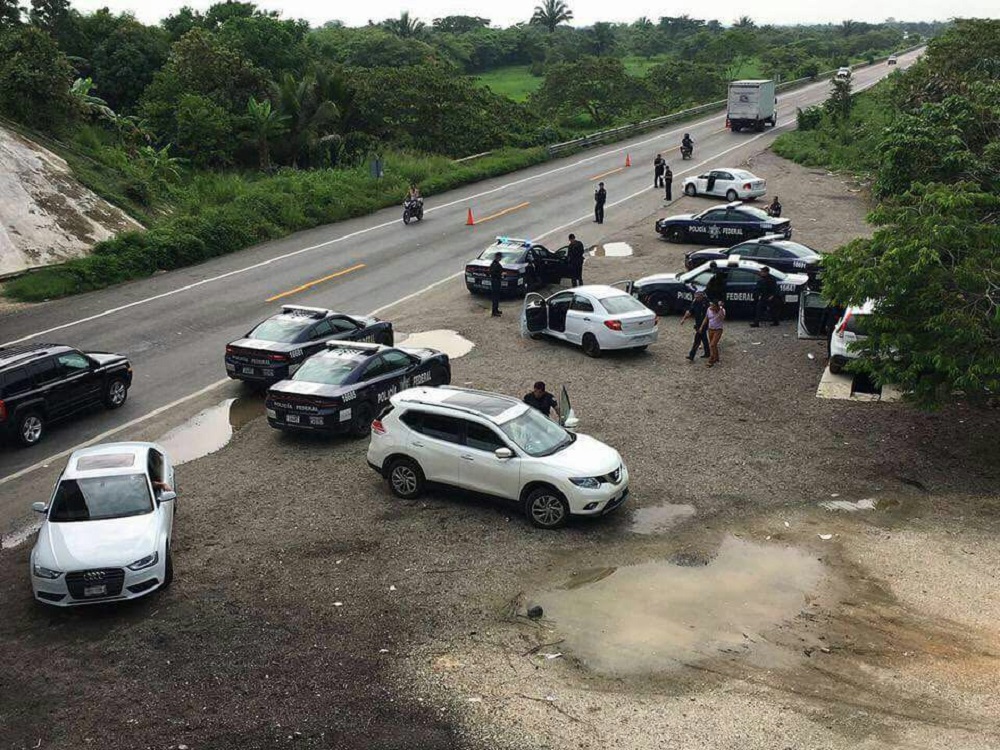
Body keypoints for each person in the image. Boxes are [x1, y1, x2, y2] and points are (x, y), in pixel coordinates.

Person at [680, 290, 710, 360]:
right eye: (695, 297)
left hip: (703, 324)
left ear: (701, 296)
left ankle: (692, 355)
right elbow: (689, 311)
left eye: (697, 297)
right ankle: (707, 353)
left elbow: (706, 317)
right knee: (704, 338)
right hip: (698, 323)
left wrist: (701, 327)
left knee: (697, 339)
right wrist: (683, 319)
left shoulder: (706, 303)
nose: (696, 298)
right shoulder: (695, 302)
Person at [699, 299, 726, 367]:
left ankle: (711, 360)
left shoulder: (721, 311)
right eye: (711, 306)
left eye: (713, 306)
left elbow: (723, 316)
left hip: (718, 330)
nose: (711, 307)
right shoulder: (709, 309)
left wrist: (720, 308)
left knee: (712, 345)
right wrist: (701, 327)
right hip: (710, 329)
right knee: (713, 344)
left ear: (716, 307)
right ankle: (716, 357)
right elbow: (706, 318)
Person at [489, 252, 503, 317]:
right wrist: (501, 274)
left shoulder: (496, 263)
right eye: (500, 257)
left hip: (497, 282)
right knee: (495, 297)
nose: (501, 258)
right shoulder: (494, 264)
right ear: (497, 257)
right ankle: (494, 312)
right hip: (495, 282)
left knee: (497, 297)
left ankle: (496, 309)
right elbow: (493, 273)